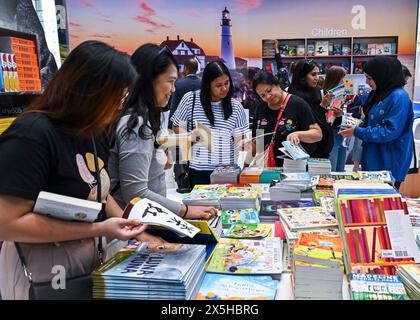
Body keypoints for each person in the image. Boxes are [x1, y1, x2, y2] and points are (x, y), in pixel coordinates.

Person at [0, 41, 148, 300]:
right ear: (90, 92)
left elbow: (98, 189)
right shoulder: (33, 134)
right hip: (41, 271)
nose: (119, 107)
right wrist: (98, 230)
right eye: (117, 98)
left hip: (84, 264)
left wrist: (139, 232)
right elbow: (6, 224)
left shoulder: (94, 130)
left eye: (124, 98)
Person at [108, 44, 217, 222]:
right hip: (133, 227)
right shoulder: (135, 125)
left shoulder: (145, 117)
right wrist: (185, 211)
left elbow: (156, 142)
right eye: (171, 81)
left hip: (144, 220)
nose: (173, 89)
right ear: (149, 80)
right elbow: (135, 193)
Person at [171, 60, 249, 187]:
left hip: (227, 172)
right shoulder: (191, 99)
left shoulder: (236, 106)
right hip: (198, 171)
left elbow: (239, 140)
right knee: (201, 206)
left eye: (227, 83)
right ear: (208, 85)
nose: (224, 88)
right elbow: (176, 126)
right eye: (218, 85)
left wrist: (244, 144)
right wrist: (190, 136)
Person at [339, 56, 414, 188]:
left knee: (383, 201)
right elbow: (374, 119)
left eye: (369, 78)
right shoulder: (381, 93)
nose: (367, 82)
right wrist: (361, 124)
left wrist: (357, 131)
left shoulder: (399, 97)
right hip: (374, 156)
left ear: (382, 76)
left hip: (388, 159)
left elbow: (389, 131)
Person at [248, 70, 322, 167]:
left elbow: (317, 134)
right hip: (266, 167)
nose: (268, 96)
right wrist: (247, 160)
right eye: (263, 95)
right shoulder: (261, 108)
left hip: (293, 168)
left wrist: (298, 134)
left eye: (269, 90)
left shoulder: (298, 104)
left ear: (277, 84)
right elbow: (258, 142)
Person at [288, 60, 335, 159]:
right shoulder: (296, 96)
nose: (317, 78)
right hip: (307, 148)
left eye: (318, 74)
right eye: (313, 74)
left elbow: (323, 118)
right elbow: (310, 121)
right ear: (303, 76)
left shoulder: (316, 90)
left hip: (323, 145)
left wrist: (334, 112)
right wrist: (322, 106)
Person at [323, 66, 347, 171]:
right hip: (329, 135)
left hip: (340, 133)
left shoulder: (340, 95)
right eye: (342, 79)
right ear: (335, 79)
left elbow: (339, 117)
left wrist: (340, 114)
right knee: (331, 168)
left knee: (340, 168)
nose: (343, 82)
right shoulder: (322, 95)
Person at [168, 57, 201, 129]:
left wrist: (170, 128)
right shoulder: (204, 85)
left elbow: (174, 107)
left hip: (182, 124)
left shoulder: (178, 85)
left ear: (185, 68)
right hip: (200, 124)